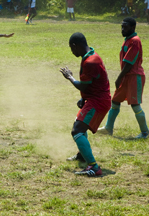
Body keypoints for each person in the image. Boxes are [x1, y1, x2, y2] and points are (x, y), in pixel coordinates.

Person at [60, 32, 111, 177]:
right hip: (95, 98)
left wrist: (69, 77)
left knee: (77, 130)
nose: (72, 52)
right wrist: (84, 98)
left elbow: (82, 85)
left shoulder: (90, 62)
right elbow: (92, 82)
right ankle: (82, 155)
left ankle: (94, 167)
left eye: (71, 48)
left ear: (75, 46)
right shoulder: (90, 55)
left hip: (98, 101)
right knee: (79, 124)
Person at [98, 17, 149, 139]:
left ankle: (145, 132)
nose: (122, 29)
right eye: (122, 27)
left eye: (125, 27)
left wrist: (119, 77)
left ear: (133, 28)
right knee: (115, 101)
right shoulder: (128, 40)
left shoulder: (135, 41)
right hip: (126, 76)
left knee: (135, 105)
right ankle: (108, 128)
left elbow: (129, 63)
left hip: (134, 77)